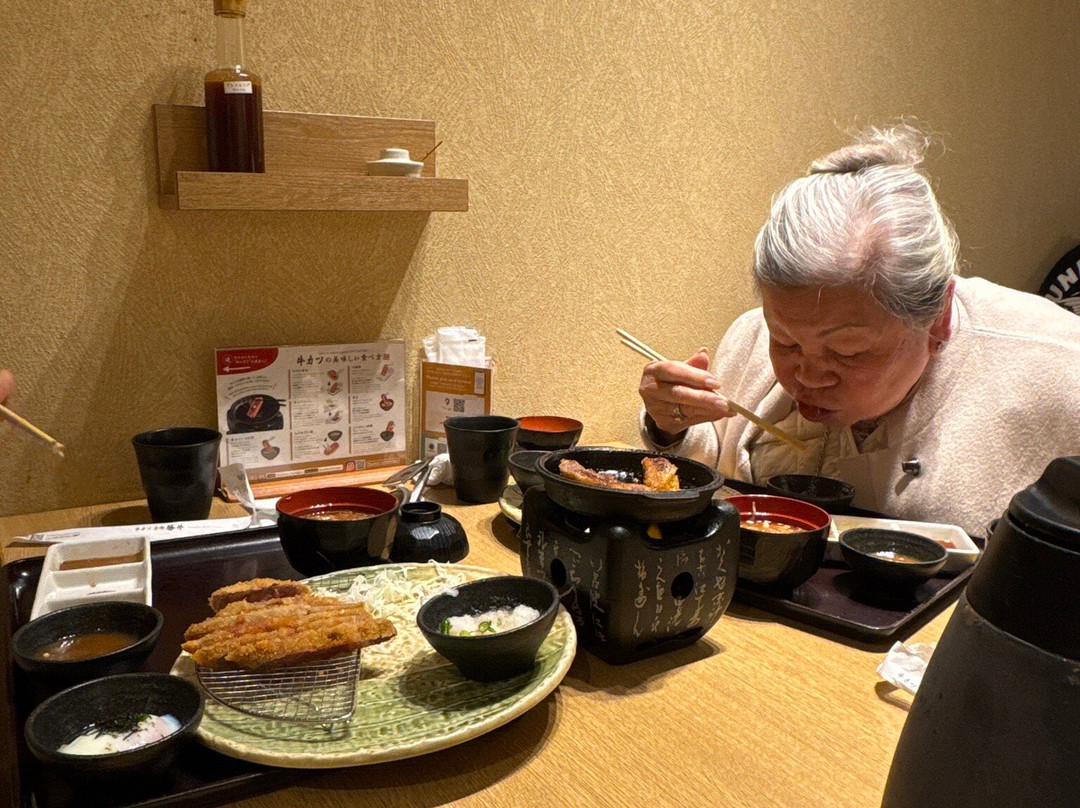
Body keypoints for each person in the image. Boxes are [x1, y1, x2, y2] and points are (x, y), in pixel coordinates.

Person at [638, 124, 1080, 536]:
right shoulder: (752, 335)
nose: (807, 376)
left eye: (847, 351)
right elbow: (719, 471)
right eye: (786, 342)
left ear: (938, 317)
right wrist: (672, 428)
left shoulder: (1060, 373)